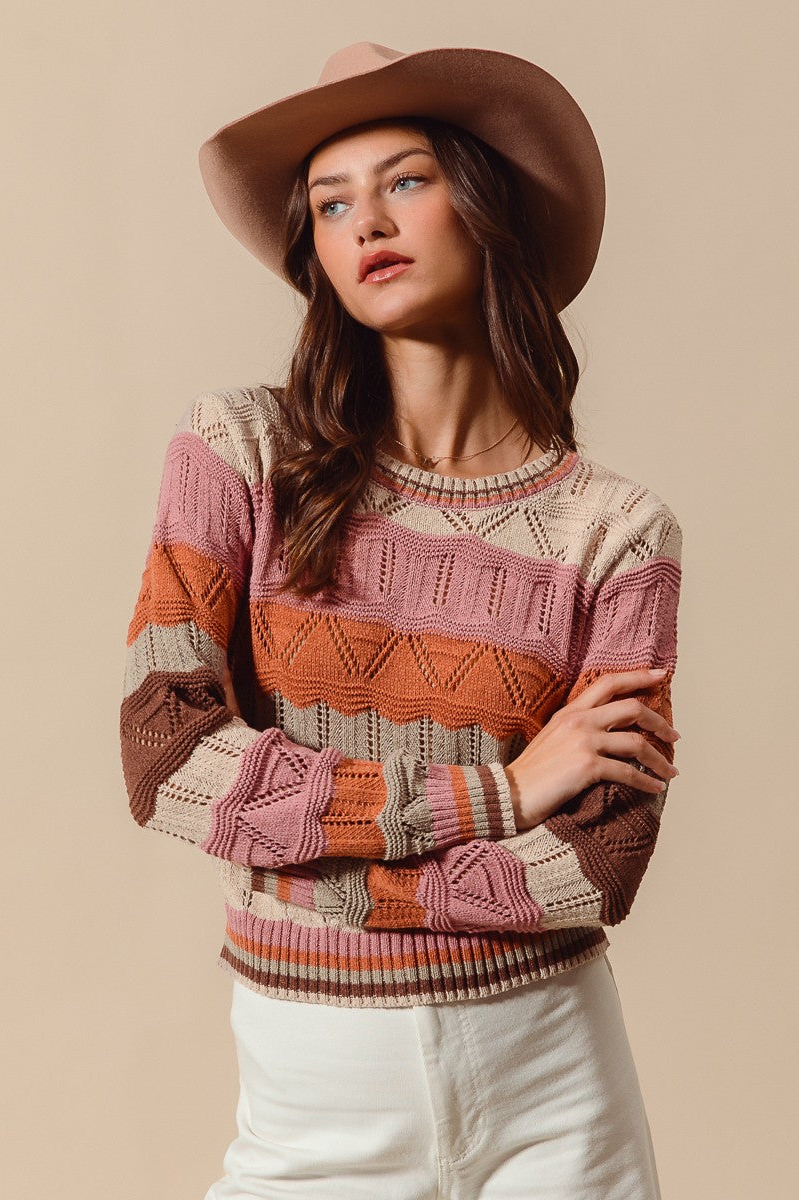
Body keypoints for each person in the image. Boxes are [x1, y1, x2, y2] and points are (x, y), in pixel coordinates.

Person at [119, 41, 682, 1200]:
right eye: (331, 203)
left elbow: (591, 870)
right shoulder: (240, 454)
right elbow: (168, 759)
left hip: (553, 1084)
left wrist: (306, 870)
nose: (366, 221)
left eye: (405, 181)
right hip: (312, 1094)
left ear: (485, 207)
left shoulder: (614, 531)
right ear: (315, 253)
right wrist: (500, 794)